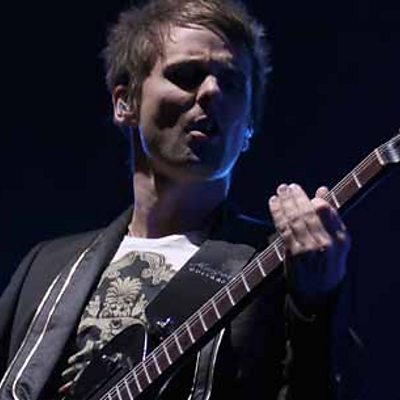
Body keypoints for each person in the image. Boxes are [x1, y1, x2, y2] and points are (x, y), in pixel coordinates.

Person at [0, 0, 351, 399]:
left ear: (249, 126)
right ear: (125, 103)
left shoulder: (279, 264)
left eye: (232, 83)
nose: (211, 91)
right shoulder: (47, 266)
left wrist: (315, 306)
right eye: (186, 75)